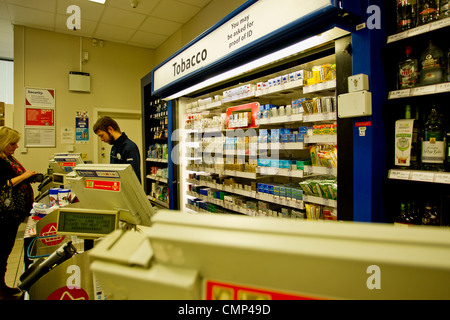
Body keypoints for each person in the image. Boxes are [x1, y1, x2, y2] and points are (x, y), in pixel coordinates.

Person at [0, 127, 37, 299]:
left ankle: (2, 285)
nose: (15, 147)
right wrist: (24, 176)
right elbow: (5, 183)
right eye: (13, 143)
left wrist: (30, 177)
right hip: (3, 214)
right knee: (2, 249)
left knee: (6, 249)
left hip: (13, 214)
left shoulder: (8, 159)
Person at [93, 116, 141, 182]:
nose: (101, 139)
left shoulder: (130, 147)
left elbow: (133, 178)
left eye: (102, 135)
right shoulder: (114, 147)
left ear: (110, 129)